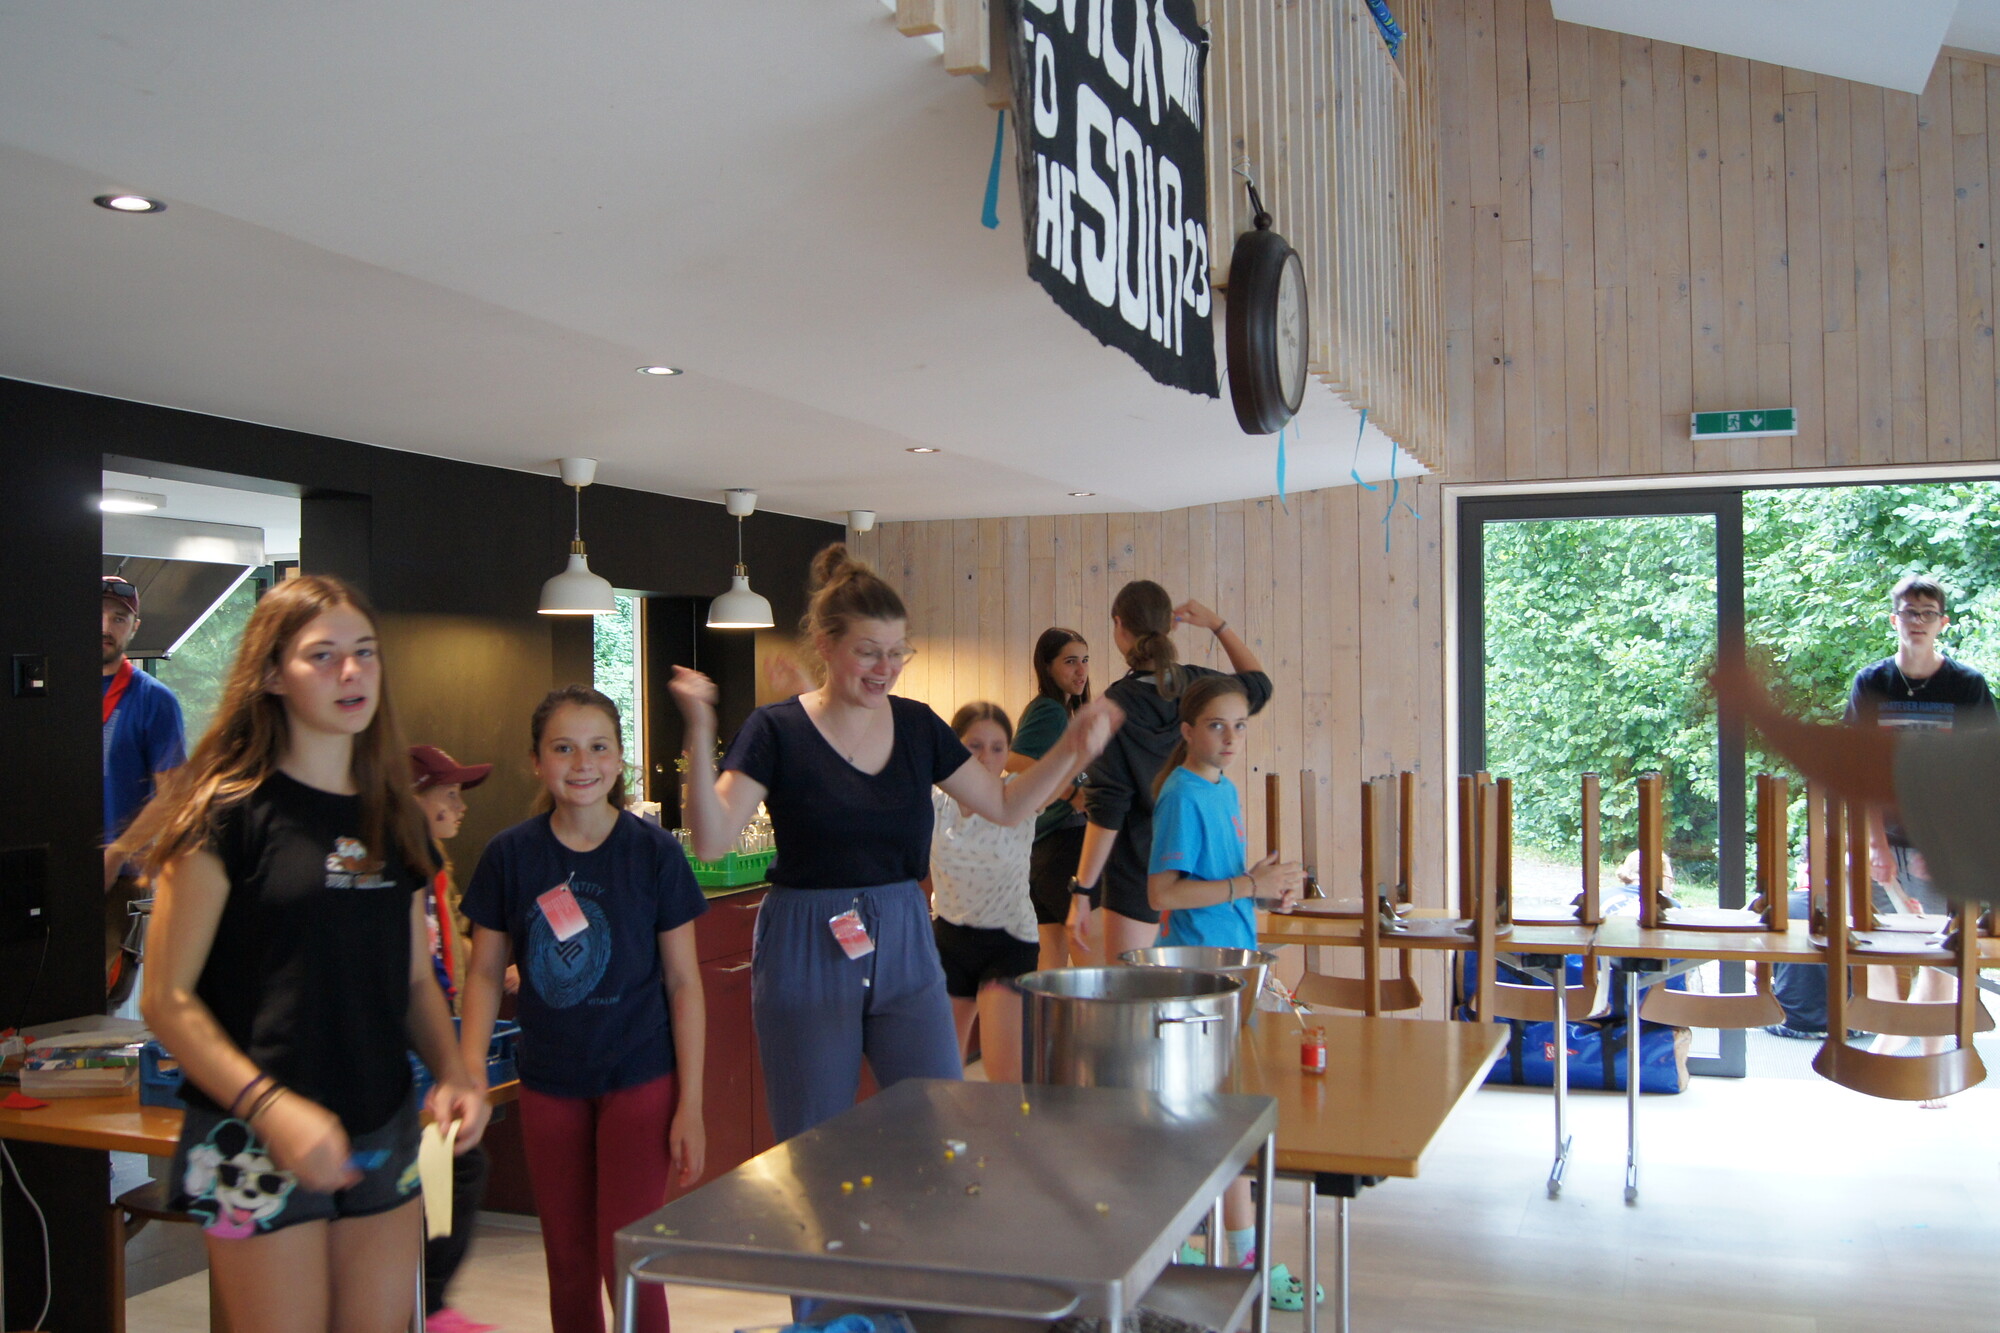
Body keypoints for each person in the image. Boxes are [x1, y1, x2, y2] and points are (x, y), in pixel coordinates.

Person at [123, 574, 490, 1332]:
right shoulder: (223, 813)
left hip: (383, 1122)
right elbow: (166, 998)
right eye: (322, 656)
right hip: (248, 1133)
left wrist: (455, 1072)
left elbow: (413, 979)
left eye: (365, 652)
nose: (351, 672)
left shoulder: (395, 813)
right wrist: (273, 1108)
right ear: (270, 675)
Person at [669, 543, 1121, 1144]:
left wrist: (1072, 750)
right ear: (826, 645)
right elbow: (711, 840)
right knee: (815, 1138)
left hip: (904, 932)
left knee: (934, 1121)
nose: (884, 668)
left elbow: (1006, 805)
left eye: (896, 652)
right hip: (807, 938)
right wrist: (700, 729)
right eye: (867, 651)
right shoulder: (777, 731)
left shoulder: (916, 725)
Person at [457, 686, 708, 1333]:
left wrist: (692, 1103)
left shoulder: (653, 853)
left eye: (598, 747)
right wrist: (470, 1073)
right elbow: (483, 972)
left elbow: (684, 982)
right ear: (536, 761)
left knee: (627, 1259)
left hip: (640, 1077)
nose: (582, 763)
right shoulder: (511, 855)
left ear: (620, 759)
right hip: (550, 1081)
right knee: (567, 1262)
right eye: (563, 748)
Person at [1145, 675, 1302, 1300]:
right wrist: (1248, 886)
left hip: (1232, 967)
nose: (1231, 737)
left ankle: (1238, 1255)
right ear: (1187, 731)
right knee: (1211, 1125)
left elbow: (1221, 882)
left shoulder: (1222, 788)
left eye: (1239, 726)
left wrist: (1262, 888)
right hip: (1195, 978)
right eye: (1216, 725)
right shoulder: (1181, 796)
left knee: (1231, 1122)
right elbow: (1163, 892)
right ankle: (1205, 1254)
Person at [1843, 576, 1996, 1086]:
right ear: (1895, 620)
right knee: (1876, 949)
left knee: (1942, 957)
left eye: (1928, 613)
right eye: (1909, 612)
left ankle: (1930, 1073)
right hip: (1883, 839)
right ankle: (1888, 1045)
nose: (1918, 621)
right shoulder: (1872, 683)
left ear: (1942, 623)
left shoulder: (1967, 686)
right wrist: (1875, 845)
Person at [1068, 581, 1270, 962]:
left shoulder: (1112, 707)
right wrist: (1217, 624)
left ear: (1119, 625)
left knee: (1135, 994)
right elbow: (1259, 685)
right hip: (1200, 874)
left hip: (1136, 872)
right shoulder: (1200, 688)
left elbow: (1107, 809)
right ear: (1169, 626)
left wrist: (1082, 891)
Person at [409, 744, 498, 1333]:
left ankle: (429, 1301)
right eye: (447, 794)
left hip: (437, 1037)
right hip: (414, 1048)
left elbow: (445, 943)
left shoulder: (434, 864)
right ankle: (427, 1301)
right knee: (451, 1167)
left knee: (453, 1167)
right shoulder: (399, 865)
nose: (459, 806)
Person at [930, 703, 1043, 1084]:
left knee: (1004, 1076)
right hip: (950, 938)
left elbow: (1058, 776)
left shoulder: (1017, 794)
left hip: (1008, 942)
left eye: (998, 748)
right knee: (942, 1072)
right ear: (955, 746)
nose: (985, 757)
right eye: (974, 745)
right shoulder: (936, 799)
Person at [101, 574, 187, 998]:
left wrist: (118, 852)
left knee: (98, 999)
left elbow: (175, 795)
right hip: (50, 871)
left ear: (134, 628)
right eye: (98, 615)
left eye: (119, 619)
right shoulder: (47, 691)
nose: (106, 627)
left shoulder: (153, 700)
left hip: (121, 878)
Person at [1007, 628, 1093, 969]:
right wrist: (1070, 792)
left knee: (1049, 971)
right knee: (1094, 964)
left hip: (1043, 850)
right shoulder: (1050, 710)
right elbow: (1014, 760)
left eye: (1085, 660)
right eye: (1070, 662)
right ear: (1047, 666)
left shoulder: (1065, 712)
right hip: (1062, 845)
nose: (1081, 670)